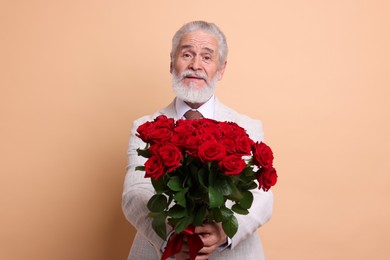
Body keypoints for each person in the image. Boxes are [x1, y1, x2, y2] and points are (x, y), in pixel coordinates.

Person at [122, 20, 274, 260]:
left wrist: (225, 232)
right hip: (160, 252)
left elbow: (262, 198)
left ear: (221, 69)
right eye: (186, 54)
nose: (195, 65)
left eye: (206, 57)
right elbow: (135, 193)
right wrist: (173, 237)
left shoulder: (249, 127)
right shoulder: (144, 128)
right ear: (172, 63)